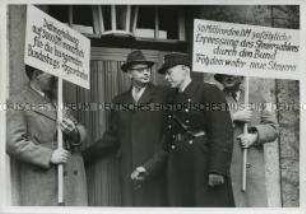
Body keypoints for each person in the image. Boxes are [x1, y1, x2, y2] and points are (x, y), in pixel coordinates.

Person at [132, 53, 234, 207]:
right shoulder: (171, 98)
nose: (166, 77)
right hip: (177, 167)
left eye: (169, 72)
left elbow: (222, 131)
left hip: (201, 164)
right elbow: (168, 141)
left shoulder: (208, 91)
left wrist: (217, 169)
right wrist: (148, 167)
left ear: (185, 70)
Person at [83, 50, 166, 206]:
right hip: (129, 169)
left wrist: (153, 164)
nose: (146, 73)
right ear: (129, 73)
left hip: (154, 170)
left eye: (147, 69)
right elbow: (111, 138)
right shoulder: (119, 101)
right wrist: (83, 157)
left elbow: (168, 135)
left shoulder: (162, 95)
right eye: (140, 70)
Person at [6, 65, 88, 206]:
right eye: (52, 74)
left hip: (71, 178)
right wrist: (48, 156)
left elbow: (80, 129)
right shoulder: (18, 101)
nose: (57, 78)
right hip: (46, 180)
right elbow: (14, 143)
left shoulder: (57, 99)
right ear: (37, 74)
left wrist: (73, 131)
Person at [213, 74, 279, 207]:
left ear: (241, 77)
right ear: (220, 78)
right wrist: (234, 117)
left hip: (252, 169)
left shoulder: (257, 99)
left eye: (233, 73)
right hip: (226, 168)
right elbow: (208, 128)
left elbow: (273, 129)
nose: (229, 77)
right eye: (224, 74)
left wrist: (254, 137)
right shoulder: (214, 100)